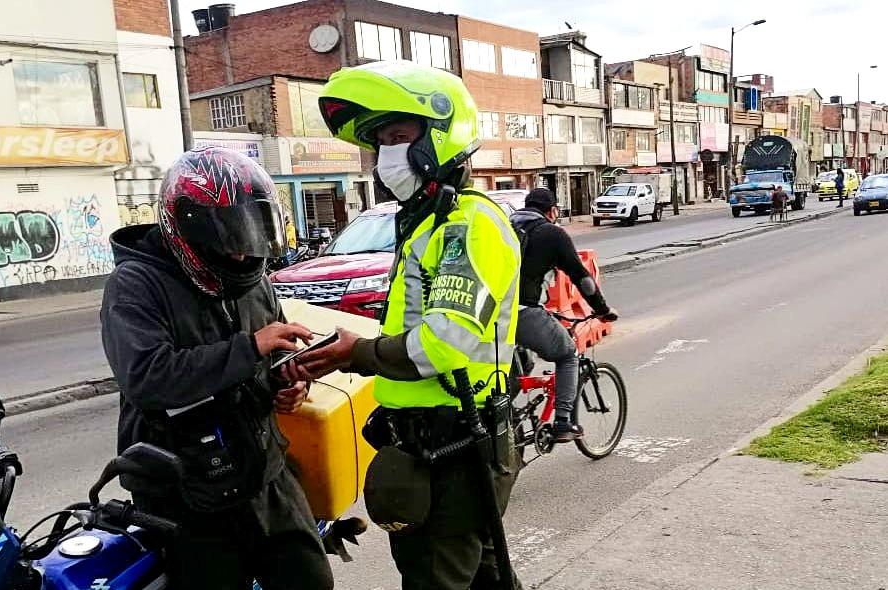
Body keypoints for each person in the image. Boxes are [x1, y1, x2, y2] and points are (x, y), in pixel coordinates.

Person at [300, 60, 523, 590]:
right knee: (481, 578)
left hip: (454, 443)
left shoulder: (467, 225)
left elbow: (446, 343)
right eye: (380, 143)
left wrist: (358, 353)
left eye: (399, 136)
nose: (387, 155)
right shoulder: (428, 224)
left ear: (440, 137)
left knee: (436, 578)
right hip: (430, 442)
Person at [100, 147, 334, 590]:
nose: (243, 254)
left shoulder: (252, 279)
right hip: (185, 493)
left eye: (250, 236)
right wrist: (251, 347)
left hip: (264, 472)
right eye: (230, 238)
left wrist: (283, 385)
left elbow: (260, 364)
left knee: (311, 580)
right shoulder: (135, 285)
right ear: (187, 228)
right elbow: (148, 377)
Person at [511, 188, 618, 442]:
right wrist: (602, 310)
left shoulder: (504, 226)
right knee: (568, 354)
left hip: (486, 313)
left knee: (516, 364)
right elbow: (582, 278)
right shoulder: (552, 233)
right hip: (521, 311)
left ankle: (508, 414)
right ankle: (563, 423)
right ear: (552, 211)